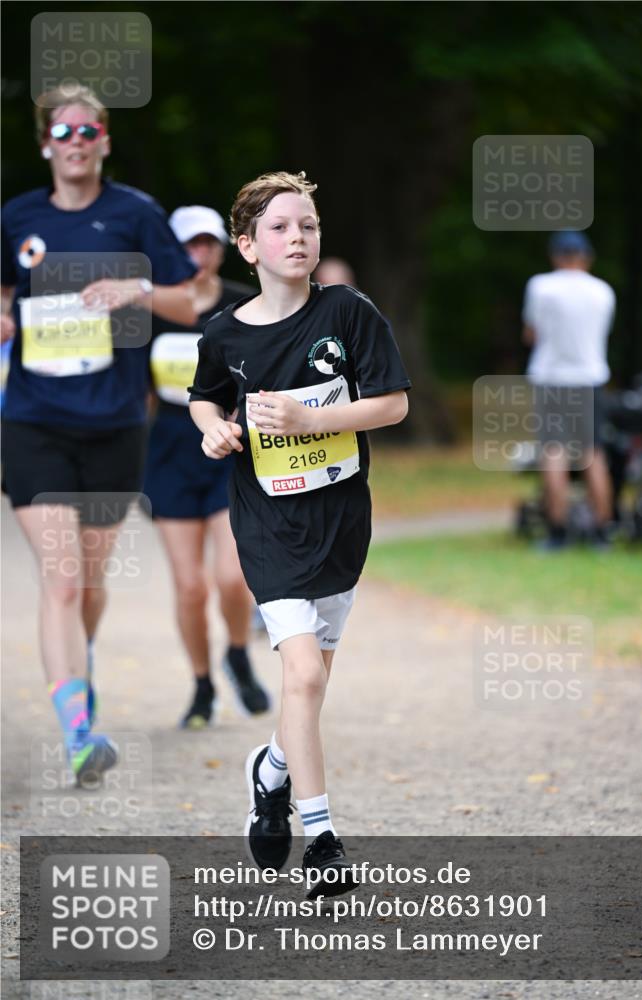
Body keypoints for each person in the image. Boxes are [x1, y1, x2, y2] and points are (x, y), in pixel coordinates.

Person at [189, 171, 410, 897]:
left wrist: (314, 421)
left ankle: (271, 771)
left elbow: (392, 405)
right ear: (246, 245)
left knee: (308, 691)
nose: (298, 238)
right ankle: (320, 841)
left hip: (340, 519)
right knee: (304, 674)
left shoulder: (347, 312)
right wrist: (216, 431)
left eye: (308, 226)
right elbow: (204, 400)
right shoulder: (223, 333)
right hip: (267, 522)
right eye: (281, 227)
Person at [0, 84, 197, 783]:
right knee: (57, 578)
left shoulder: (135, 215)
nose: (76, 141)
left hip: (115, 424)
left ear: (105, 140)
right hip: (32, 423)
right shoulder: (16, 218)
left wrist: (135, 292)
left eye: (88, 130)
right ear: (46, 143)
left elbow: (192, 297)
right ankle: (78, 731)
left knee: (86, 580)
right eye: (64, 131)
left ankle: (78, 674)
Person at [144, 205, 270, 727]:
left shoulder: (244, 307)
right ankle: (201, 686)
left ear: (224, 249)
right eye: (189, 245)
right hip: (168, 454)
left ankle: (238, 652)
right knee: (190, 587)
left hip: (228, 448)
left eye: (209, 244)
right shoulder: (152, 311)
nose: (200, 254)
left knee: (231, 577)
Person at [522, 230, 616, 549]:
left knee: (554, 453)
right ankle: (603, 531)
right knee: (593, 453)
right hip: (589, 379)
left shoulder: (541, 286)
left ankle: (557, 532)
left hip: (551, 378)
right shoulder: (603, 291)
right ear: (587, 257)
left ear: (556, 256)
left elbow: (531, 332)